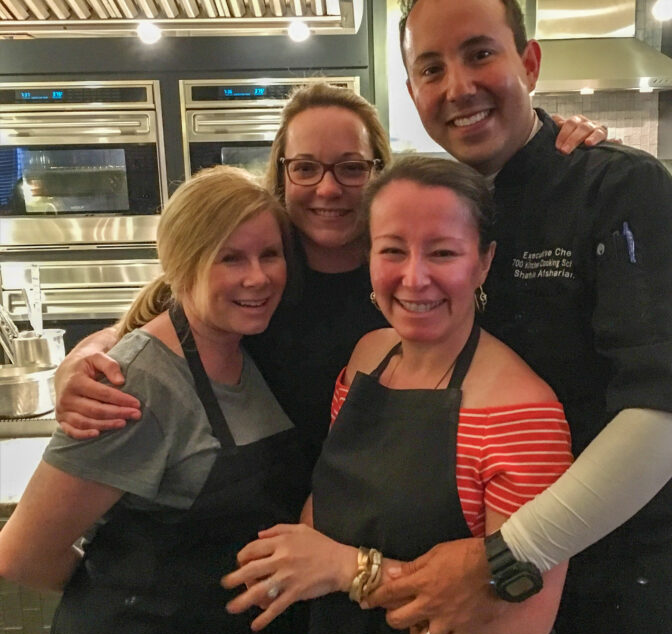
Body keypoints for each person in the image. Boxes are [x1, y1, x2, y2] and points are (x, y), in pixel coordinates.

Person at [361, 0, 672, 634]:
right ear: (411, 90)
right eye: (431, 66)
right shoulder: (451, 208)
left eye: (480, 53)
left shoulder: (620, 188)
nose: (459, 85)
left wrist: (508, 553)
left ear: (528, 65)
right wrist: (117, 342)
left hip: (633, 584)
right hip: (518, 595)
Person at [223, 154, 578, 634]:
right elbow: (326, 513)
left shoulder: (520, 409)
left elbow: (524, 620)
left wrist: (346, 570)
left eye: (442, 252)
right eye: (392, 251)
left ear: (483, 262)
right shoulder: (365, 360)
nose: (414, 278)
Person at [53, 82, 609, 462]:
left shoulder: (411, 276)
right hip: (266, 522)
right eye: (306, 168)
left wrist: (553, 145)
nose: (327, 189)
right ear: (283, 173)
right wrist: (83, 361)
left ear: (377, 172)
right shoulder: (260, 273)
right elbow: (163, 316)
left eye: (350, 168)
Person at [0, 166, 311, 634]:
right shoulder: (139, 379)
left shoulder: (245, 349)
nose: (257, 277)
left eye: (269, 254)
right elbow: (23, 553)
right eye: (230, 257)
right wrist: (138, 597)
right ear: (180, 261)